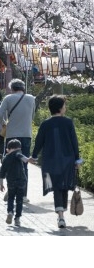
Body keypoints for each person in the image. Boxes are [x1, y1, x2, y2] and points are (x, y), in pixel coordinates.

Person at [28, 95, 83, 229]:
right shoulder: (68, 122)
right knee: (63, 186)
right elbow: (74, 143)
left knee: (57, 187)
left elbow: (39, 142)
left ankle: (61, 215)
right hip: (67, 160)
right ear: (60, 108)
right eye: (64, 105)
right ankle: (61, 215)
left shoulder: (45, 124)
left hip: (50, 161)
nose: (65, 107)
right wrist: (77, 159)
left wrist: (34, 156)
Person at [0, 78, 35, 202]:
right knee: (24, 164)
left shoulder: (8, 98)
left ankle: (11, 190)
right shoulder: (31, 98)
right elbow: (32, 115)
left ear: (12, 89)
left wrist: (3, 124)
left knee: (10, 164)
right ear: (23, 88)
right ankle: (23, 195)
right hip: (26, 135)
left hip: (12, 136)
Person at [0, 139, 29, 227]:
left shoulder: (6, 159)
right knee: (19, 201)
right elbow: (21, 157)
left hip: (11, 182)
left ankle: (10, 212)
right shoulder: (18, 153)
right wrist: (27, 159)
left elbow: (2, 172)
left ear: (8, 149)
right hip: (21, 182)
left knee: (11, 198)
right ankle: (17, 218)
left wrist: (1, 184)